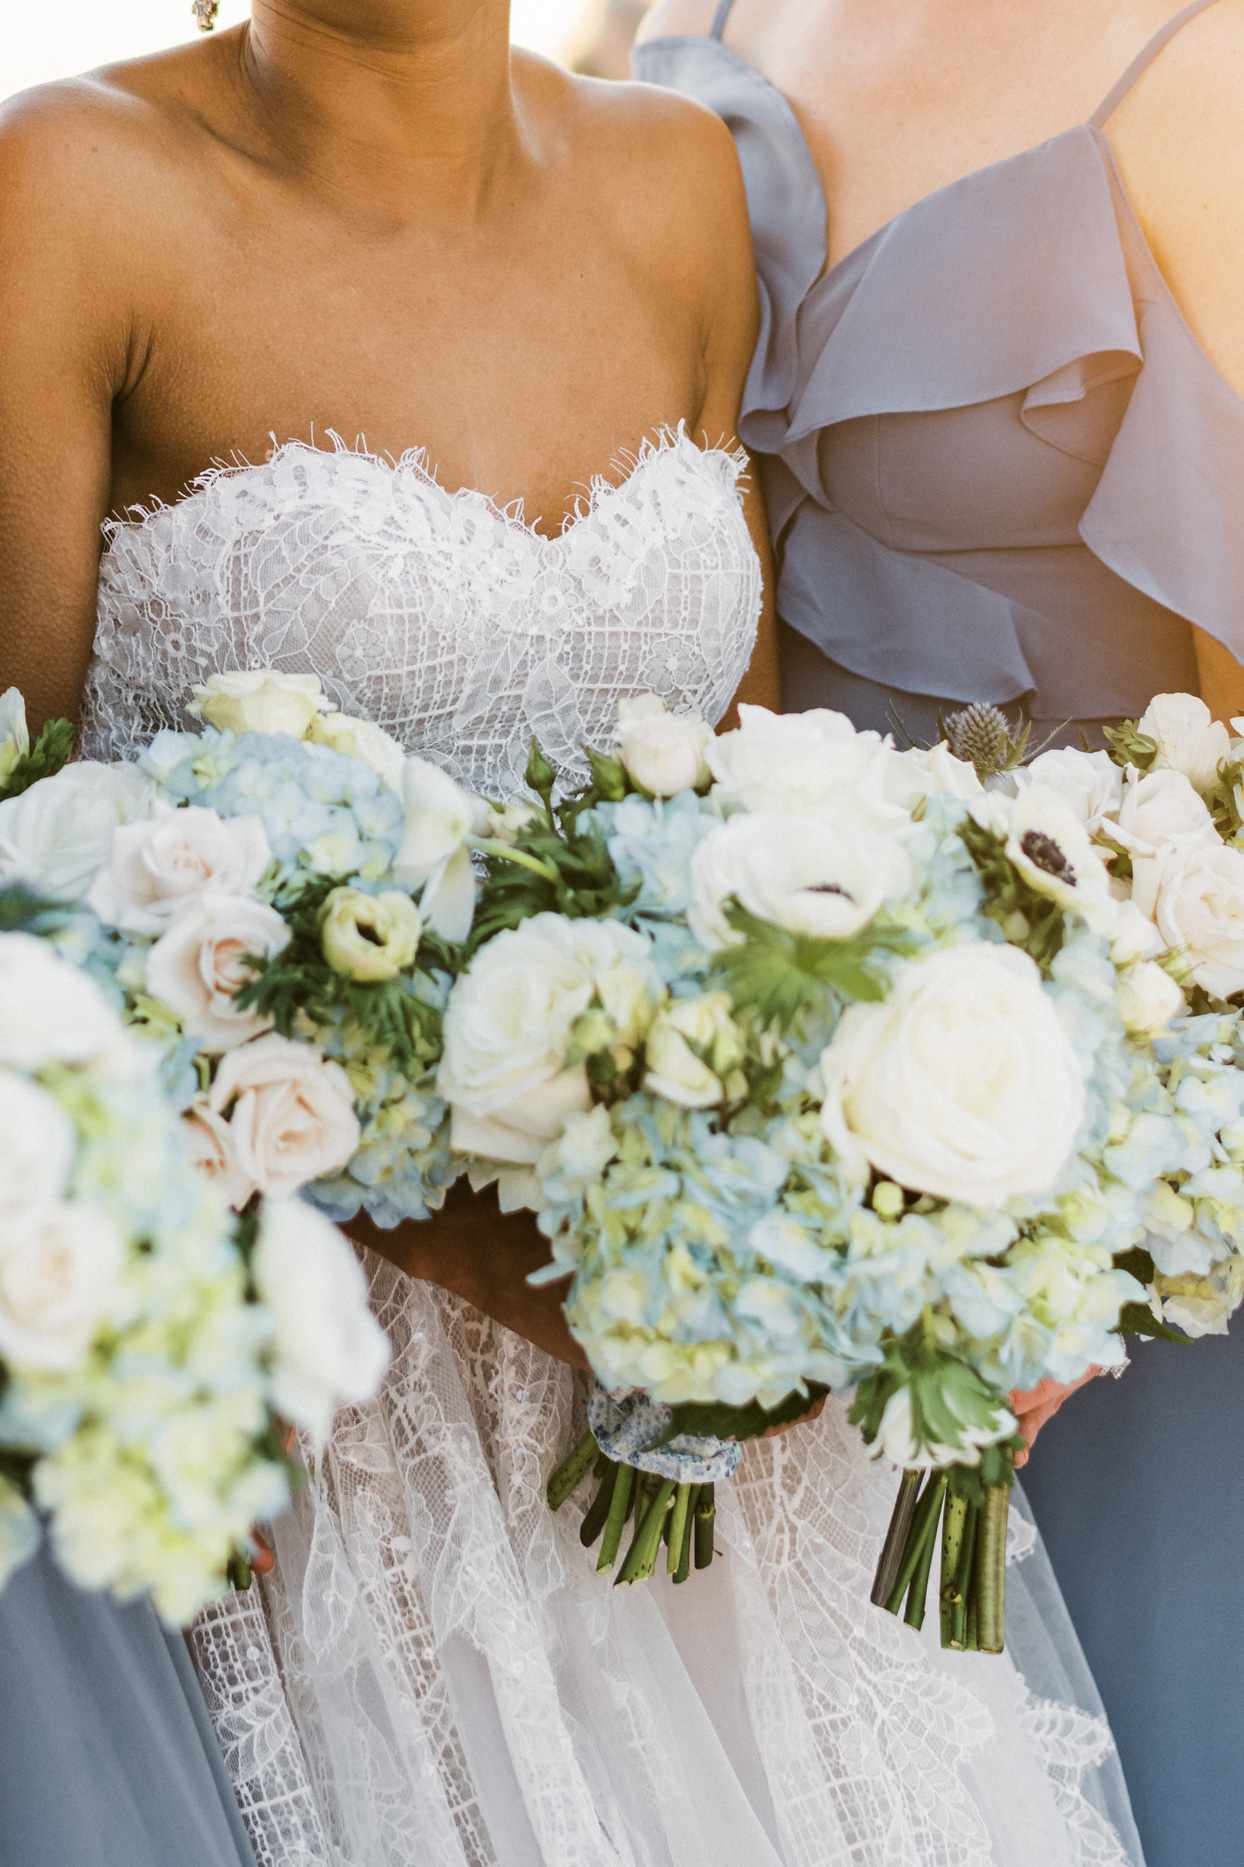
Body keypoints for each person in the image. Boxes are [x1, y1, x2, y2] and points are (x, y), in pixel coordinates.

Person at [1, 4, 1138, 1862]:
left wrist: (911, 1231)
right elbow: (12, 869)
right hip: (320, 1407)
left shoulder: (677, 181)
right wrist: (407, 1236)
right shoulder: (66, 191)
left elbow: (757, 823)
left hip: (725, 1395)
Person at [635, 4, 1244, 1864]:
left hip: (1112, 1222)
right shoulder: (671, 22)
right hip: (730, 1161)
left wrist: (1104, 1212)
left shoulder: (1205, 63)